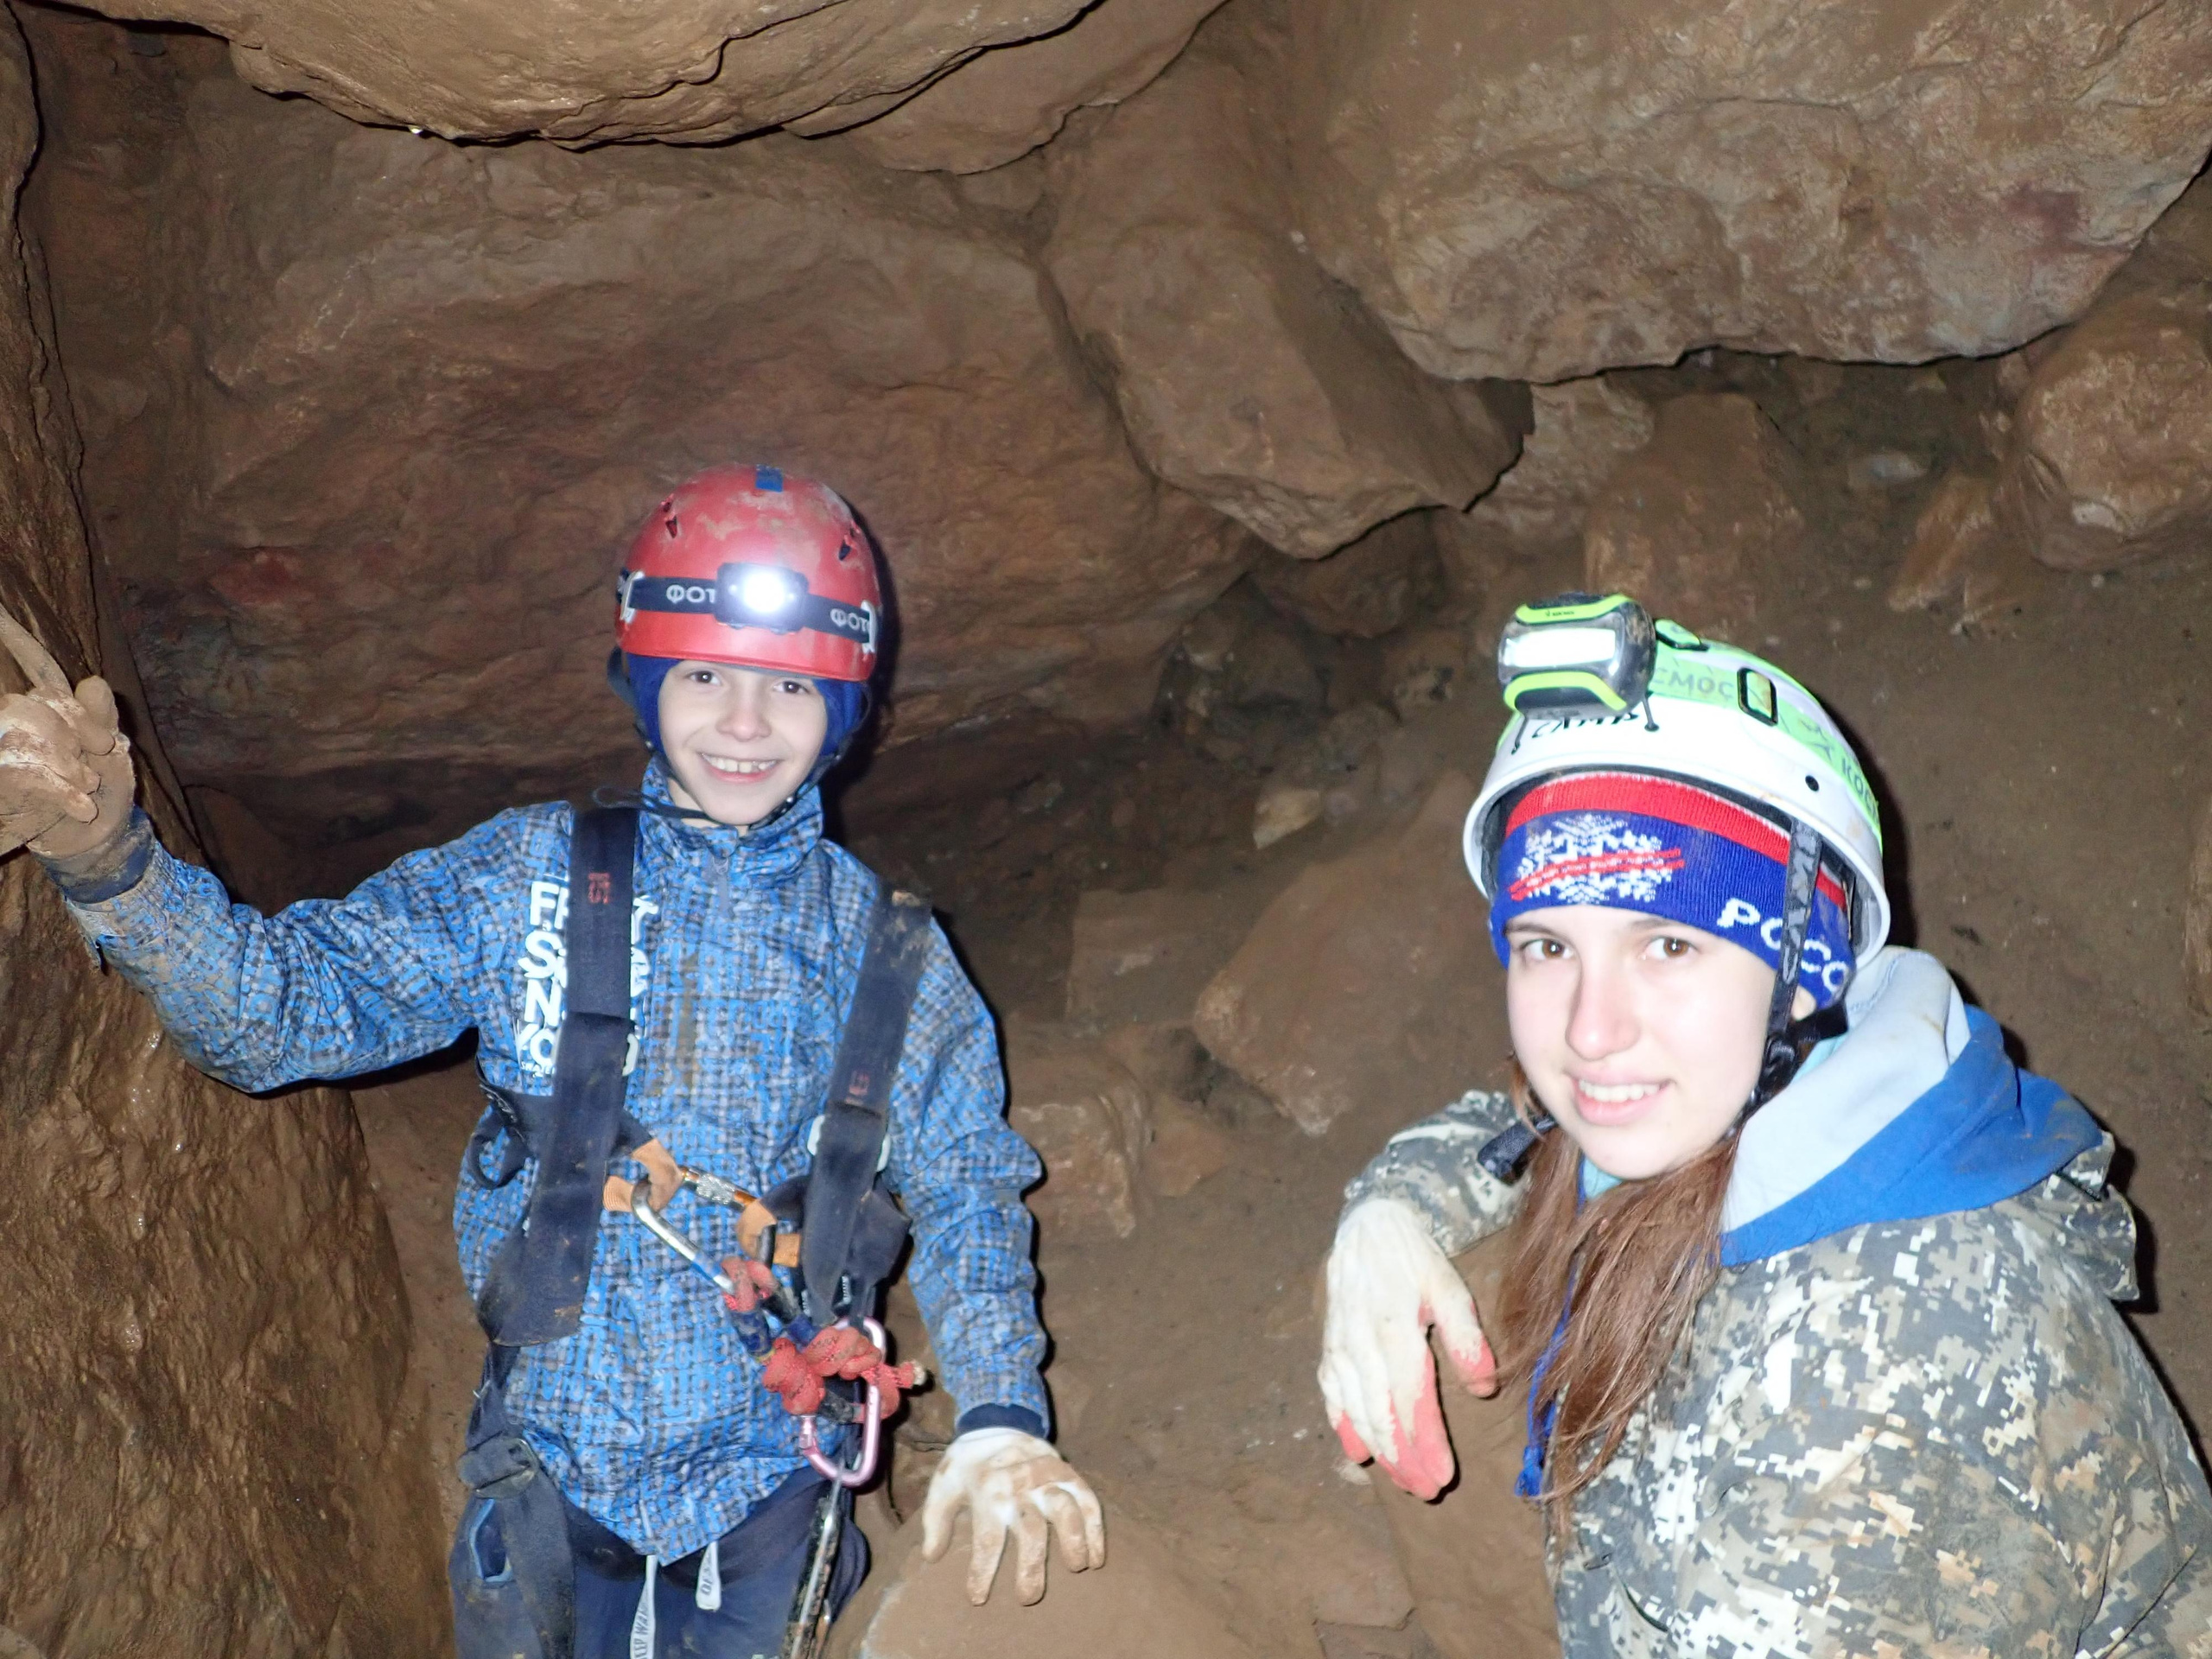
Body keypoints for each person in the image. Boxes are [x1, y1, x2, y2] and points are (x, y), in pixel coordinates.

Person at [0, 464, 1105, 1657]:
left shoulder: (891, 956)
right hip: (549, 1474)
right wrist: (115, 865)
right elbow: (286, 1015)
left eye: (789, 686)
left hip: (773, 1484)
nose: (744, 724)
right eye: (704, 675)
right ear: (647, 680)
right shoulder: (528, 880)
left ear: (842, 707)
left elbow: (967, 1190)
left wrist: (1001, 1413)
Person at [1319, 594, 2212, 1656]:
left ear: (1803, 968)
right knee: (1443, 1271)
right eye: (1547, 947)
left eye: (1668, 946)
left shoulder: (1890, 1383)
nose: (1592, 1032)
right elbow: (1515, 1125)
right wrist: (1380, 1219)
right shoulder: (1792, 1101)